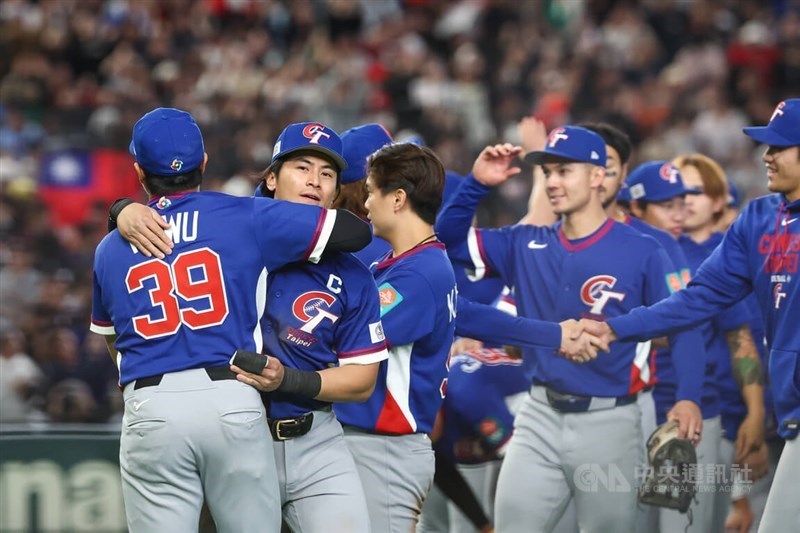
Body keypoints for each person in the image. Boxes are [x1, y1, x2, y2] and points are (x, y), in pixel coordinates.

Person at [91, 108, 371, 532]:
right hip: (231, 399)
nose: (314, 180)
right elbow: (357, 232)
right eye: (302, 167)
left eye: (326, 172)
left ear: (138, 172)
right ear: (204, 163)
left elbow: (114, 341)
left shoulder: (108, 248)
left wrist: (120, 210)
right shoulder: (242, 216)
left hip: (149, 399)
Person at [435, 128, 703, 533]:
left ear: (598, 176)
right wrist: (476, 185)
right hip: (538, 414)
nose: (553, 182)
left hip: (611, 420)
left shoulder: (644, 248)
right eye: (548, 172)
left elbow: (683, 325)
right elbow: (446, 240)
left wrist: (688, 397)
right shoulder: (523, 242)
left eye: (564, 171)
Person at [585, 98, 800, 533]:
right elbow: (696, 300)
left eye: (780, 147)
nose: (767, 156)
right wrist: (615, 327)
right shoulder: (759, 219)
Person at [624, 160, 767, 532]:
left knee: (684, 527)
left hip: (694, 414)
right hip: (625, 411)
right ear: (635, 208)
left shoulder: (709, 257)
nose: (682, 209)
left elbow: (740, 339)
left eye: (686, 198)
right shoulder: (613, 252)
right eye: (668, 203)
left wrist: (754, 412)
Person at [331, 142, 457, 533]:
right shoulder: (406, 262)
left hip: (385, 448)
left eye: (371, 191)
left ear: (398, 198)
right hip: (375, 444)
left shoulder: (418, 275)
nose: (365, 202)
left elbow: (345, 343)